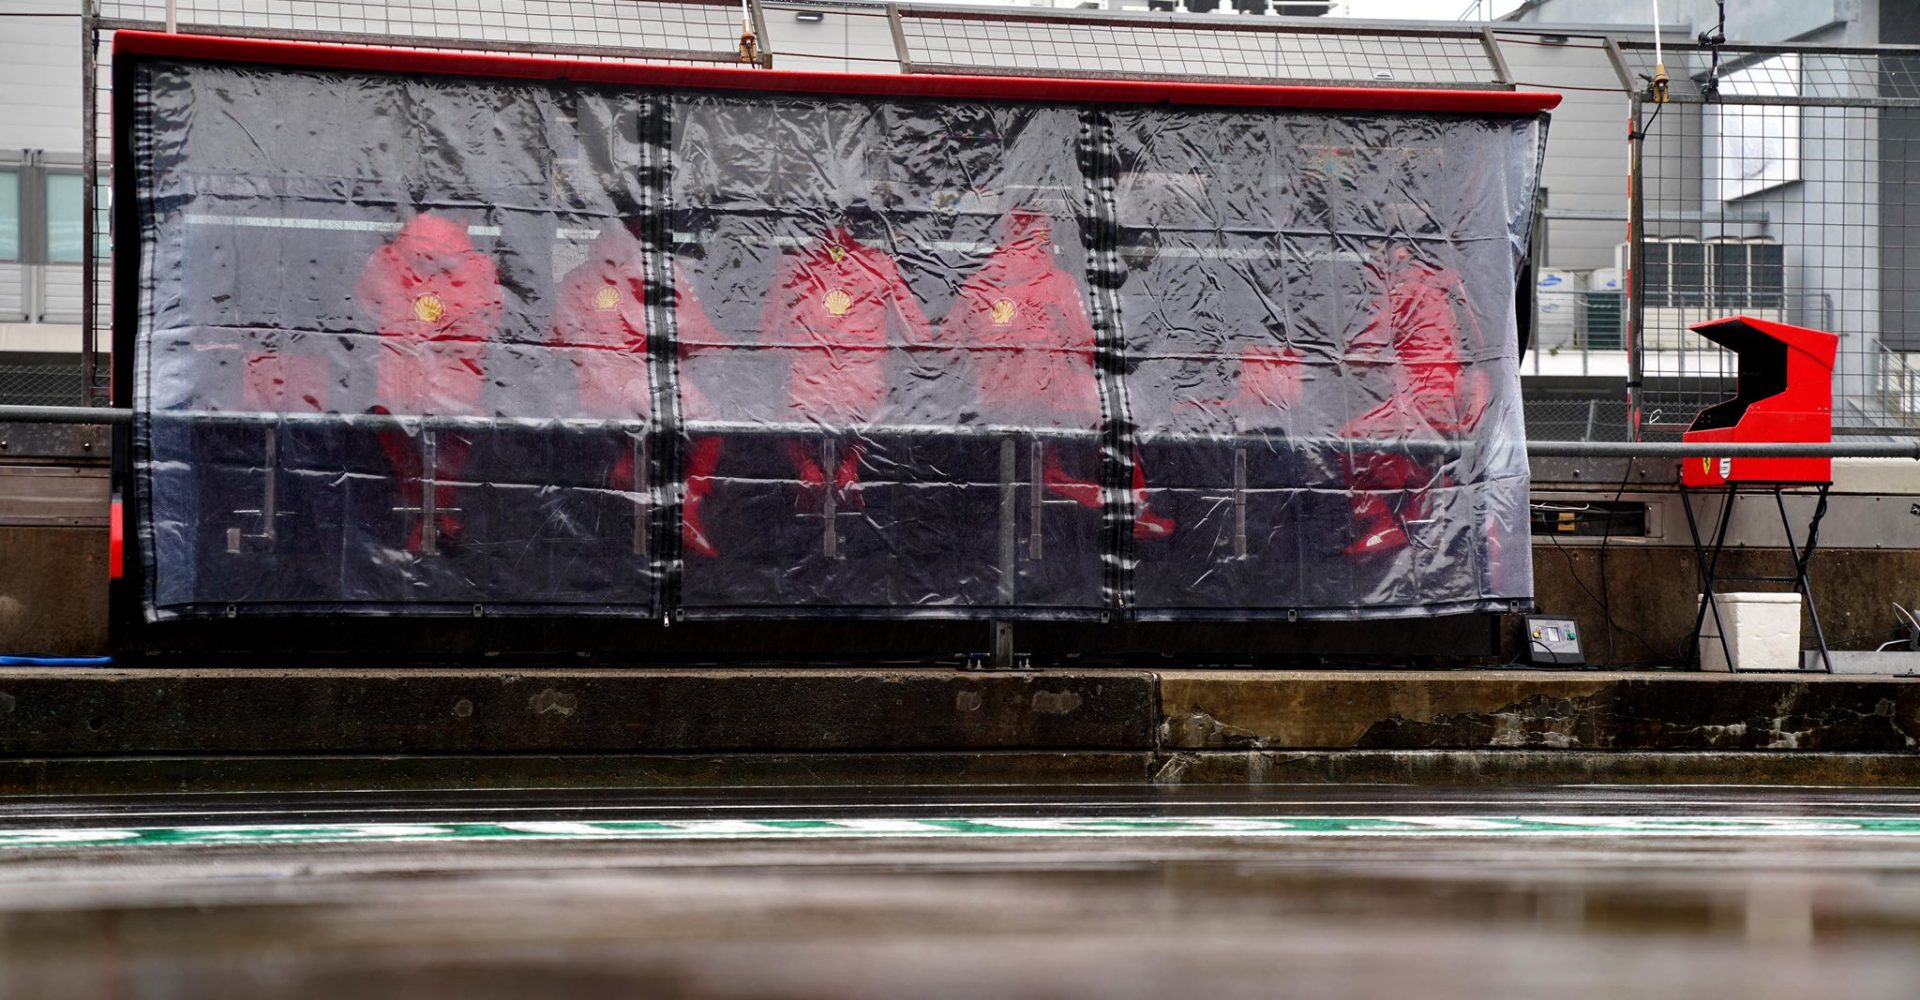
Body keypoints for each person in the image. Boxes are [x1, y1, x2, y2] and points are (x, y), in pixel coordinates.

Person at [942, 208, 1173, 538]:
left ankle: (1054, 473)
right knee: (1118, 408)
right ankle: (1133, 506)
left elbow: (947, 349)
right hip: (1049, 400)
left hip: (993, 402)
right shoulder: (1057, 282)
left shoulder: (977, 284)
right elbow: (1084, 344)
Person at [548, 222, 726, 558]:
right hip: (646, 388)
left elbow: (556, 343)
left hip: (592, 395)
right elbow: (700, 338)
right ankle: (688, 506)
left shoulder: (576, 279)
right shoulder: (663, 271)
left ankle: (630, 465)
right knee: (710, 425)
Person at [756, 223, 932, 512]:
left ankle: (808, 468)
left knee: (776, 414)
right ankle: (850, 467)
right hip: (864, 393)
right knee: (888, 408)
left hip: (807, 393)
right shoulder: (879, 264)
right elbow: (919, 335)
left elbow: (767, 338)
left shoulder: (794, 265)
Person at [356, 212, 502, 553]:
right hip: (459, 388)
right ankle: (440, 515)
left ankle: (425, 514)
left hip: (397, 386)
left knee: (397, 443)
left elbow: (363, 305)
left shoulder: (386, 260)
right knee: (451, 452)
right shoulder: (479, 267)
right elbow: (492, 320)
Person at [1339, 241, 1488, 560]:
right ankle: (1425, 501)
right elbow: (1476, 344)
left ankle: (1378, 523)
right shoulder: (1450, 284)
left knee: (1350, 438)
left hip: (1424, 397)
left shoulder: (1400, 288)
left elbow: (1371, 345)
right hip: (1460, 396)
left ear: (1399, 253)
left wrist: (1342, 356)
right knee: (1411, 444)